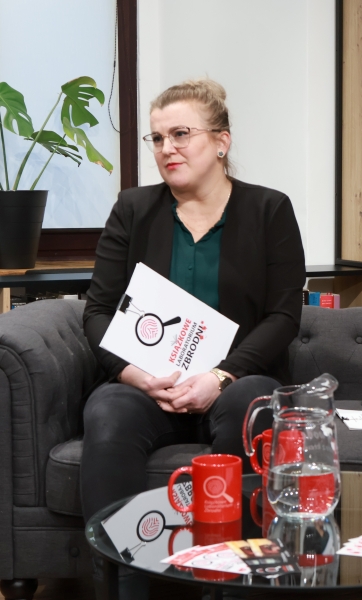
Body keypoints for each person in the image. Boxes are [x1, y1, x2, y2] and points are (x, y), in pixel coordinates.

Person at [81, 79, 305, 598]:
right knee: (108, 410)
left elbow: (283, 316)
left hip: (236, 380)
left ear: (221, 141)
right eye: (157, 138)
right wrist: (134, 375)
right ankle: (125, 586)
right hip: (149, 384)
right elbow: (97, 312)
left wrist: (220, 376)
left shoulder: (269, 209)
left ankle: (228, 584)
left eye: (181, 134)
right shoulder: (133, 208)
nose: (167, 149)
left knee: (249, 404)